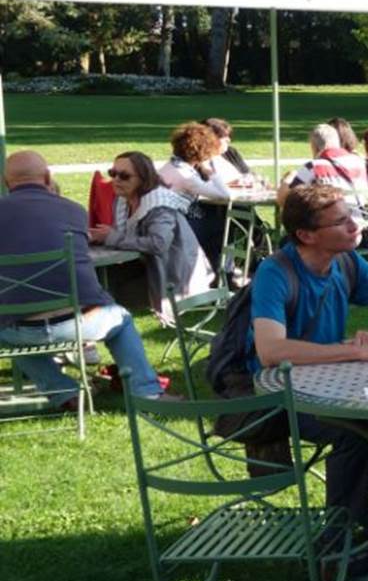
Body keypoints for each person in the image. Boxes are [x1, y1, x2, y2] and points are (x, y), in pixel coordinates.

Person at [247, 184, 368, 544]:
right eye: (341, 221)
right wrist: (354, 351)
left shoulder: (347, 262)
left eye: (351, 216)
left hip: (336, 383)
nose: (355, 226)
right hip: (281, 397)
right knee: (354, 431)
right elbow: (270, 351)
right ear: (306, 235)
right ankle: (340, 544)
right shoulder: (275, 272)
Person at [0, 151, 172, 406]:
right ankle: (145, 391)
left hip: (16, 329)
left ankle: (65, 394)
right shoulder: (73, 211)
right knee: (121, 320)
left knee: (11, 331)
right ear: (48, 177)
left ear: (5, 182)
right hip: (80, 322)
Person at [91, 151, 215, 320]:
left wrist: (112, 237)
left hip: (173, 275)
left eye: (124, 176)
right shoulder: (124, 200)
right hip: (149, 266)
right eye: (112, 174)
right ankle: (95, 326)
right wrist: (98, 236)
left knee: (105, 287)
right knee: (94, 276)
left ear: (143, 178)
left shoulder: (159, 207)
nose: (116, 180)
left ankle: (101, 327)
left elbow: (158, 244)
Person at [158, 121, 231, 264]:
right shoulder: (187, 176)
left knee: (212, 219)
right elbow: (225, 195)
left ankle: (210, 268)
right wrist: (211, 172)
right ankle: (223, 272)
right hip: (175, 229)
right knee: (222, 225)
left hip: (165, 223)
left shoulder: (172, 165)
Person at [279, 123, 368, 206]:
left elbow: (284, 199)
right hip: (359, 221)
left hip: (329, 221)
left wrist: (288, 179)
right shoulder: (359, 162)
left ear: (314, 147)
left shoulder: (314, 166)